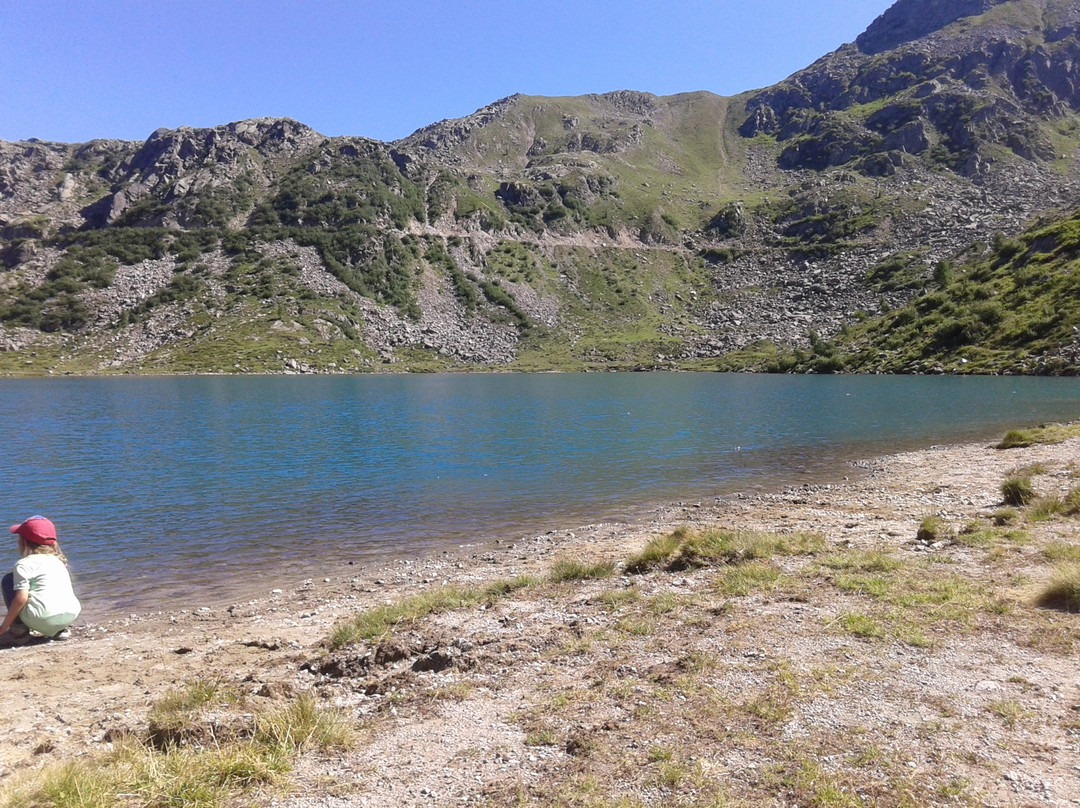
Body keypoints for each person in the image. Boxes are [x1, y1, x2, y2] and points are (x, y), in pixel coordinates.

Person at [0, 516, 81, 647]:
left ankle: (18, 633)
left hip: (43, 618)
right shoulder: (59, 561)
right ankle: (60, 630)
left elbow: (20, 599)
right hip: (70, 615)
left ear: (24, 542)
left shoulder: (23, 564)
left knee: (9, 580)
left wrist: (4, 627)